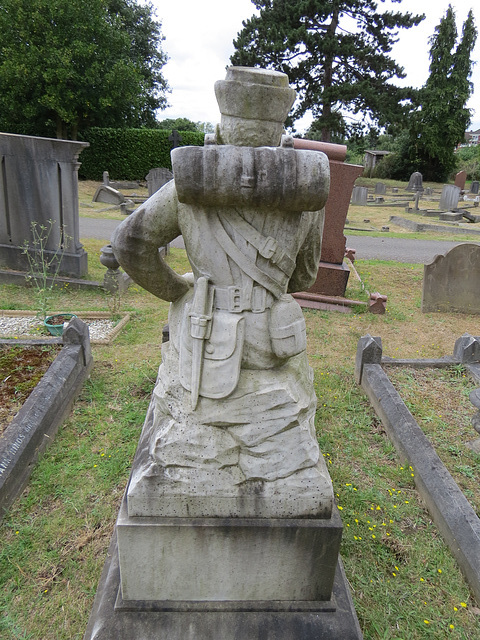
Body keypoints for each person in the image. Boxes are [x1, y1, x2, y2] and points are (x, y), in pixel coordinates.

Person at [111, 66, 333, 518]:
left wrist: (178, 291)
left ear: (222, 124)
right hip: (269, 343)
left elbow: (130, 243)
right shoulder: (302, 193)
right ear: (280, 128)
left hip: (207, 336)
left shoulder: (192, 184)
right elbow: (305, 278)